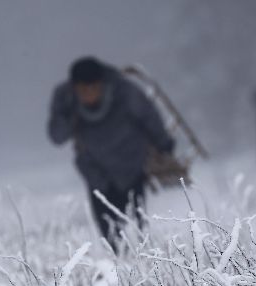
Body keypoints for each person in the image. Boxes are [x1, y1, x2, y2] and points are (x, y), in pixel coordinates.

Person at [47, 56, 175, 250]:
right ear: (75, 88)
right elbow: (57, 137)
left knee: (139, 226)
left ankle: (147, 262)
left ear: (102, 83)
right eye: (83, 89)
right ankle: (120, 267)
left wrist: (163, 143)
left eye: (93, 87)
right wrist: (66, 115)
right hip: (96, 173)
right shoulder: (65, 98)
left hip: (132, 165)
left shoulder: (124, 91)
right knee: (110, 234)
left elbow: (149, 116)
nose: (88, 93)